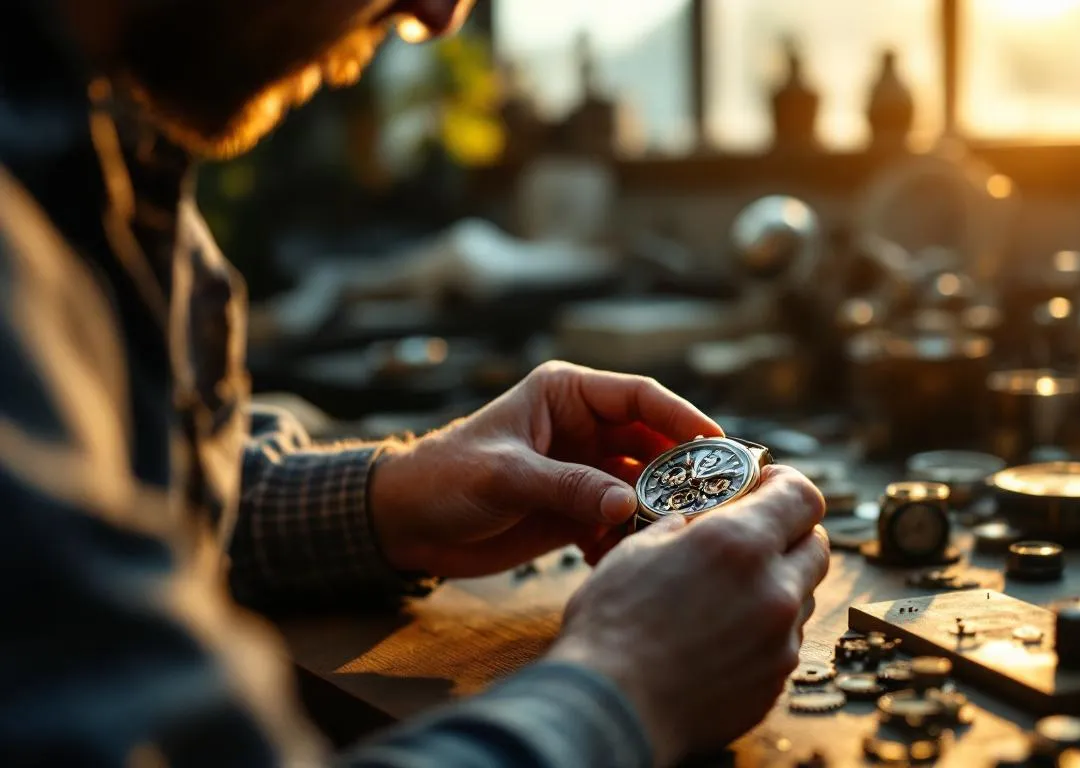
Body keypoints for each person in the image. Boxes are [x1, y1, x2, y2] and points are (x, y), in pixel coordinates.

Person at [0, 1, 831, 767]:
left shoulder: (104, 151)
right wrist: (623, 689)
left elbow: (86, 514)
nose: (437, 16)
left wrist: (383, 502)